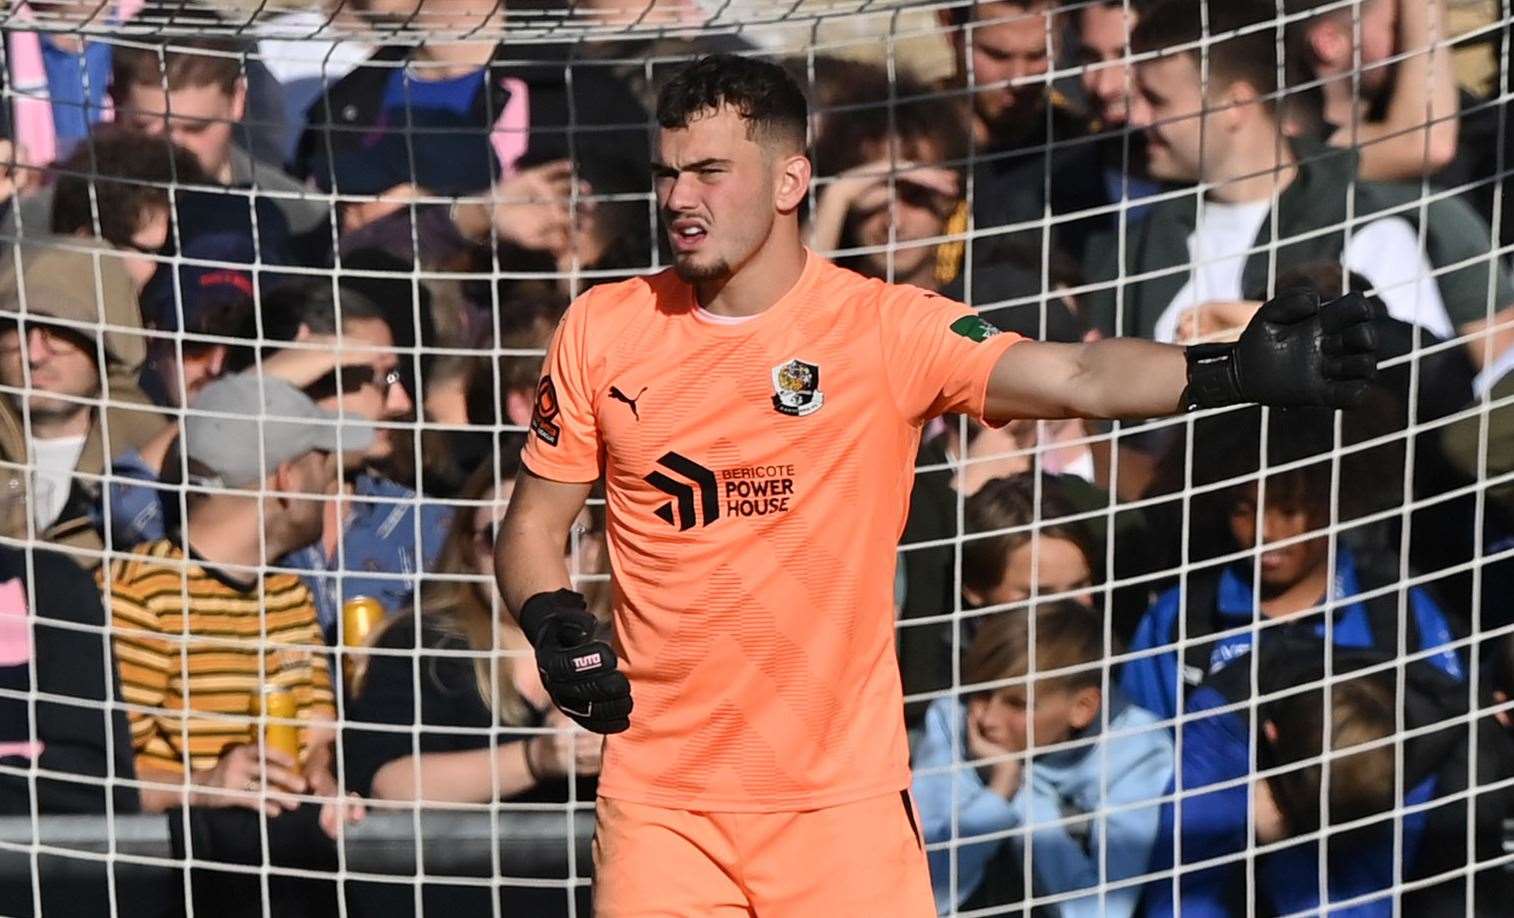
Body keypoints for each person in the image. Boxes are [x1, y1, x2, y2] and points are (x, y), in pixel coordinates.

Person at [493, 53, 1377, 916]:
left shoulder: (885, 328)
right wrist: (553, 619)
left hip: (843, 807)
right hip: (662, 806)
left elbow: (1075, 376)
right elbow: (533, 524)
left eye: (710, 171)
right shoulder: (604, 327)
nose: (680, 197)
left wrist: (1226, 369)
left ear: (791, 179)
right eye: (667, 172)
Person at [1087, 0, 1514, 373]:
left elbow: (1423, 386)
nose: (1137, 117)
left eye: (1156, 100)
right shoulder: (1132, 251)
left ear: (1235, 104)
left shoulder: (1369, 229)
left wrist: (1275, 336)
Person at [342, 457, 598, 917]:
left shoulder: (639, 644)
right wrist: (536, 759)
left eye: (562, 536)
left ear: (595, 551)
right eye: (500, 536)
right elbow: (388, 783)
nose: (529, 556)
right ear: (467, 548)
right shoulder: (420, 646)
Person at [106, 373, 365, 816]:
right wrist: (202, 787)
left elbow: (319, 731)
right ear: (287, 479)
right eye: (325, 467)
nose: (332, 487)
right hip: (183, 871)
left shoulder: (289, 593)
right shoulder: (137, 594)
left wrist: (321, 776)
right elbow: (92, 773)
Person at [1122, 403, 1463, 721]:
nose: (1264, 531)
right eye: (1243, 510)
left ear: (1333, 499)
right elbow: (1146, 760)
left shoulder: (1396, 610)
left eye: (1287, 509)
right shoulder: (1179, 620)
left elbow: (1445, 740)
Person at [1144, 635, 1514, 915]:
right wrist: (1248, 841)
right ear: (1271, 735)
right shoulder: (1223, 727)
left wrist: (1275, 852)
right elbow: (1179, 900)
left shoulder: (1450, 769)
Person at [913, 601, 1171, 916]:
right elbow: (925, 888)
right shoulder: (954, 717)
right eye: (980, 692)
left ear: (1083, 707)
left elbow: (1101, 911)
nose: (988, 719)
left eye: (1017, 704)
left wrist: (1019, 791)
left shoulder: (1137, 750)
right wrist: (997, 794)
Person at [0, 243, 162, 564]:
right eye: (16, 329)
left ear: (108, 345)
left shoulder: (160, 465)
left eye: (59, 330)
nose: (34, 355)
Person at [110, 27, 322, 263]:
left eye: (196, 128)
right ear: (116, 104)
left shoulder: (302, 218)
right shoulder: (77, 208)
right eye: (146, 126)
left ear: (238, 100)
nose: (174, 146)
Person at [1285, 0, 1472, 183]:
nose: (1417, 40)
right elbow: (1426, 145)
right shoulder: (1298, 141)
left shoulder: (1459, 113)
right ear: (1329, 42)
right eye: (1400, 27)